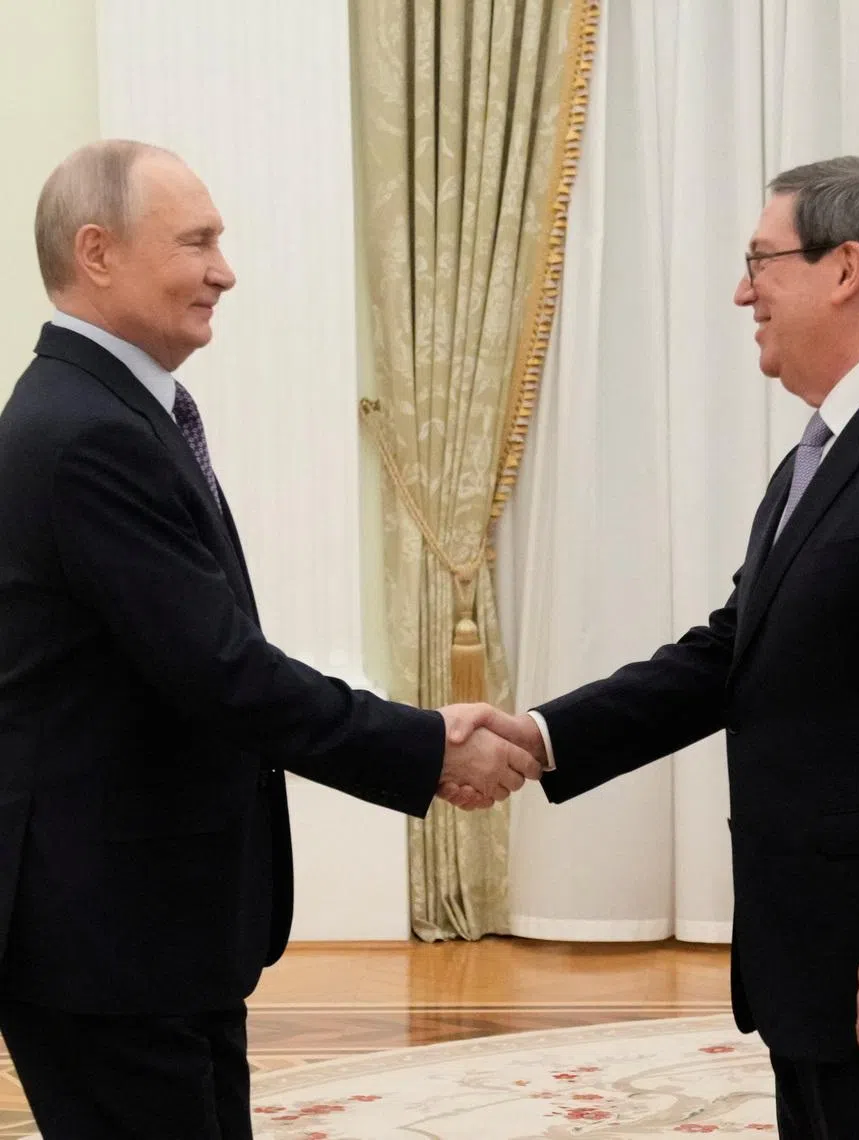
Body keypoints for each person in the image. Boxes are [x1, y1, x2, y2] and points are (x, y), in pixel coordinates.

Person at [443, 156, 859, 1138]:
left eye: (760, 261)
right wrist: (539, 735)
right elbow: (732, 651)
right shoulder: (832, 447)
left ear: (845, 267)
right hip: (822, 962)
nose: (744, 291)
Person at [0, 139, 539, 1140]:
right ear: (98, 252)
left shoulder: (117, 410)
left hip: (154, 924)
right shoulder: (87, 433)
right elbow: (220, 671)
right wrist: (422, 743)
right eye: (197, 241)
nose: (225, 269)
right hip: (107, 938)